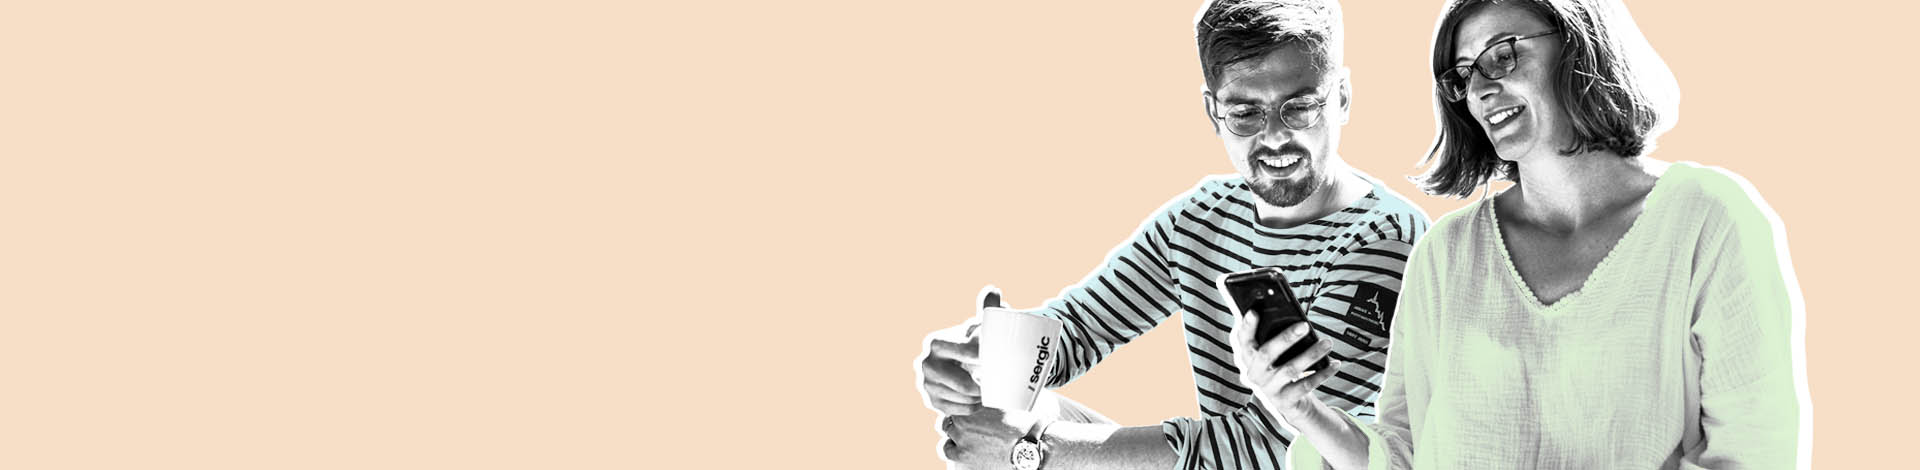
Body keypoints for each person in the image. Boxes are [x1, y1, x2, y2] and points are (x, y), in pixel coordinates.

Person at [1242, 0, 1810, 468]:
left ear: (1579, 46)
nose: (1481, 90)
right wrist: (1301, 410)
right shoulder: (1445, 253)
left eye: (1502, 56)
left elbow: (1754, 454)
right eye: (1465, 75)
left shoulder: (1709, 219)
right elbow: (1405, 457)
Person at [917, 1, 1432, 468]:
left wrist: (1035, 450)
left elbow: (1282, 447)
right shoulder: (1202, 216)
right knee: (1002, 409)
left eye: (1300, 107)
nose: (1275, 136)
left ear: (1341, 98)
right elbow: (1079, 329)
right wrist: (986, 360)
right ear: (1214, 113)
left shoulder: (1387, 239)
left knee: (1021, 443)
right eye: (1245, 113)